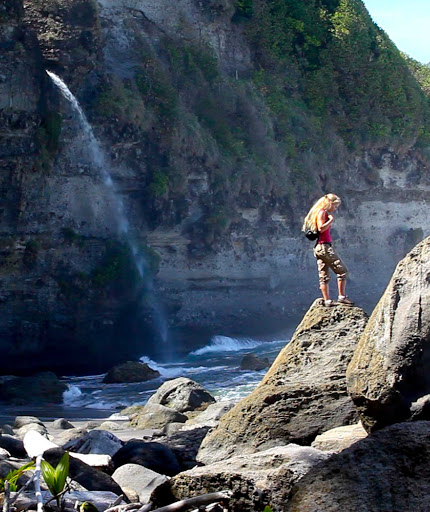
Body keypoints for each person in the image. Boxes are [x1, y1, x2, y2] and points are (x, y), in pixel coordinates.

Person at [302, 193, 354, 307]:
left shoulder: (320, 212)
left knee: (324, 275)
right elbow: (321, 228)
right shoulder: (323, 213)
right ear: (329, 203)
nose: (335, 209)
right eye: (335, 206)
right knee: (342, 271)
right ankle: (342, 297)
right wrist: (330, 220)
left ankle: (327, 301)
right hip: (324, 246)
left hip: (320, 247)